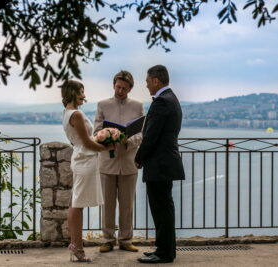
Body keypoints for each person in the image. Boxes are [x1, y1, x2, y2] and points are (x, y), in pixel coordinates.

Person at [135, 65, 185, 264]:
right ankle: (164, 248)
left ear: (156, 80)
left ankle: (164, 253)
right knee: (164, 208)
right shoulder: (171, 99)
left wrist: (139, 157)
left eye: (147, 82)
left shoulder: (162, 102)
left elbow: (151, 136)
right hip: (165, 162)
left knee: (161, 209)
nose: (146, 86)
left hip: (160, 164)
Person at [61, 80, 113, 262]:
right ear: (73, 93)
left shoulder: (68, 113)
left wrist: (100, 137)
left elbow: (84, 139)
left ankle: (76, 245)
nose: (84, 95)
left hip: (82, 158)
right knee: (77, 204)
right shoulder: (75, 114)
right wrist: (107, 146)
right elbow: (88, 142)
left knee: (76, 203)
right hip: (84, 160)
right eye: (81, 91)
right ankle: (76, 247)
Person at [93, 70, 144, 253]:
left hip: (129, 162)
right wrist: (107, 137)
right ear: (113, 85)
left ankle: (125, 239)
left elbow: (141, 133)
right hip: (107, 162)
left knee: (127, 204)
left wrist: (128, 141)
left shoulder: (138, 106)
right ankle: (107, 239)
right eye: (118, 87)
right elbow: (96, 131)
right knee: (107, 204)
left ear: (130, 88)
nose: (120, 91)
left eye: (124, 88)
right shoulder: (102, 105)